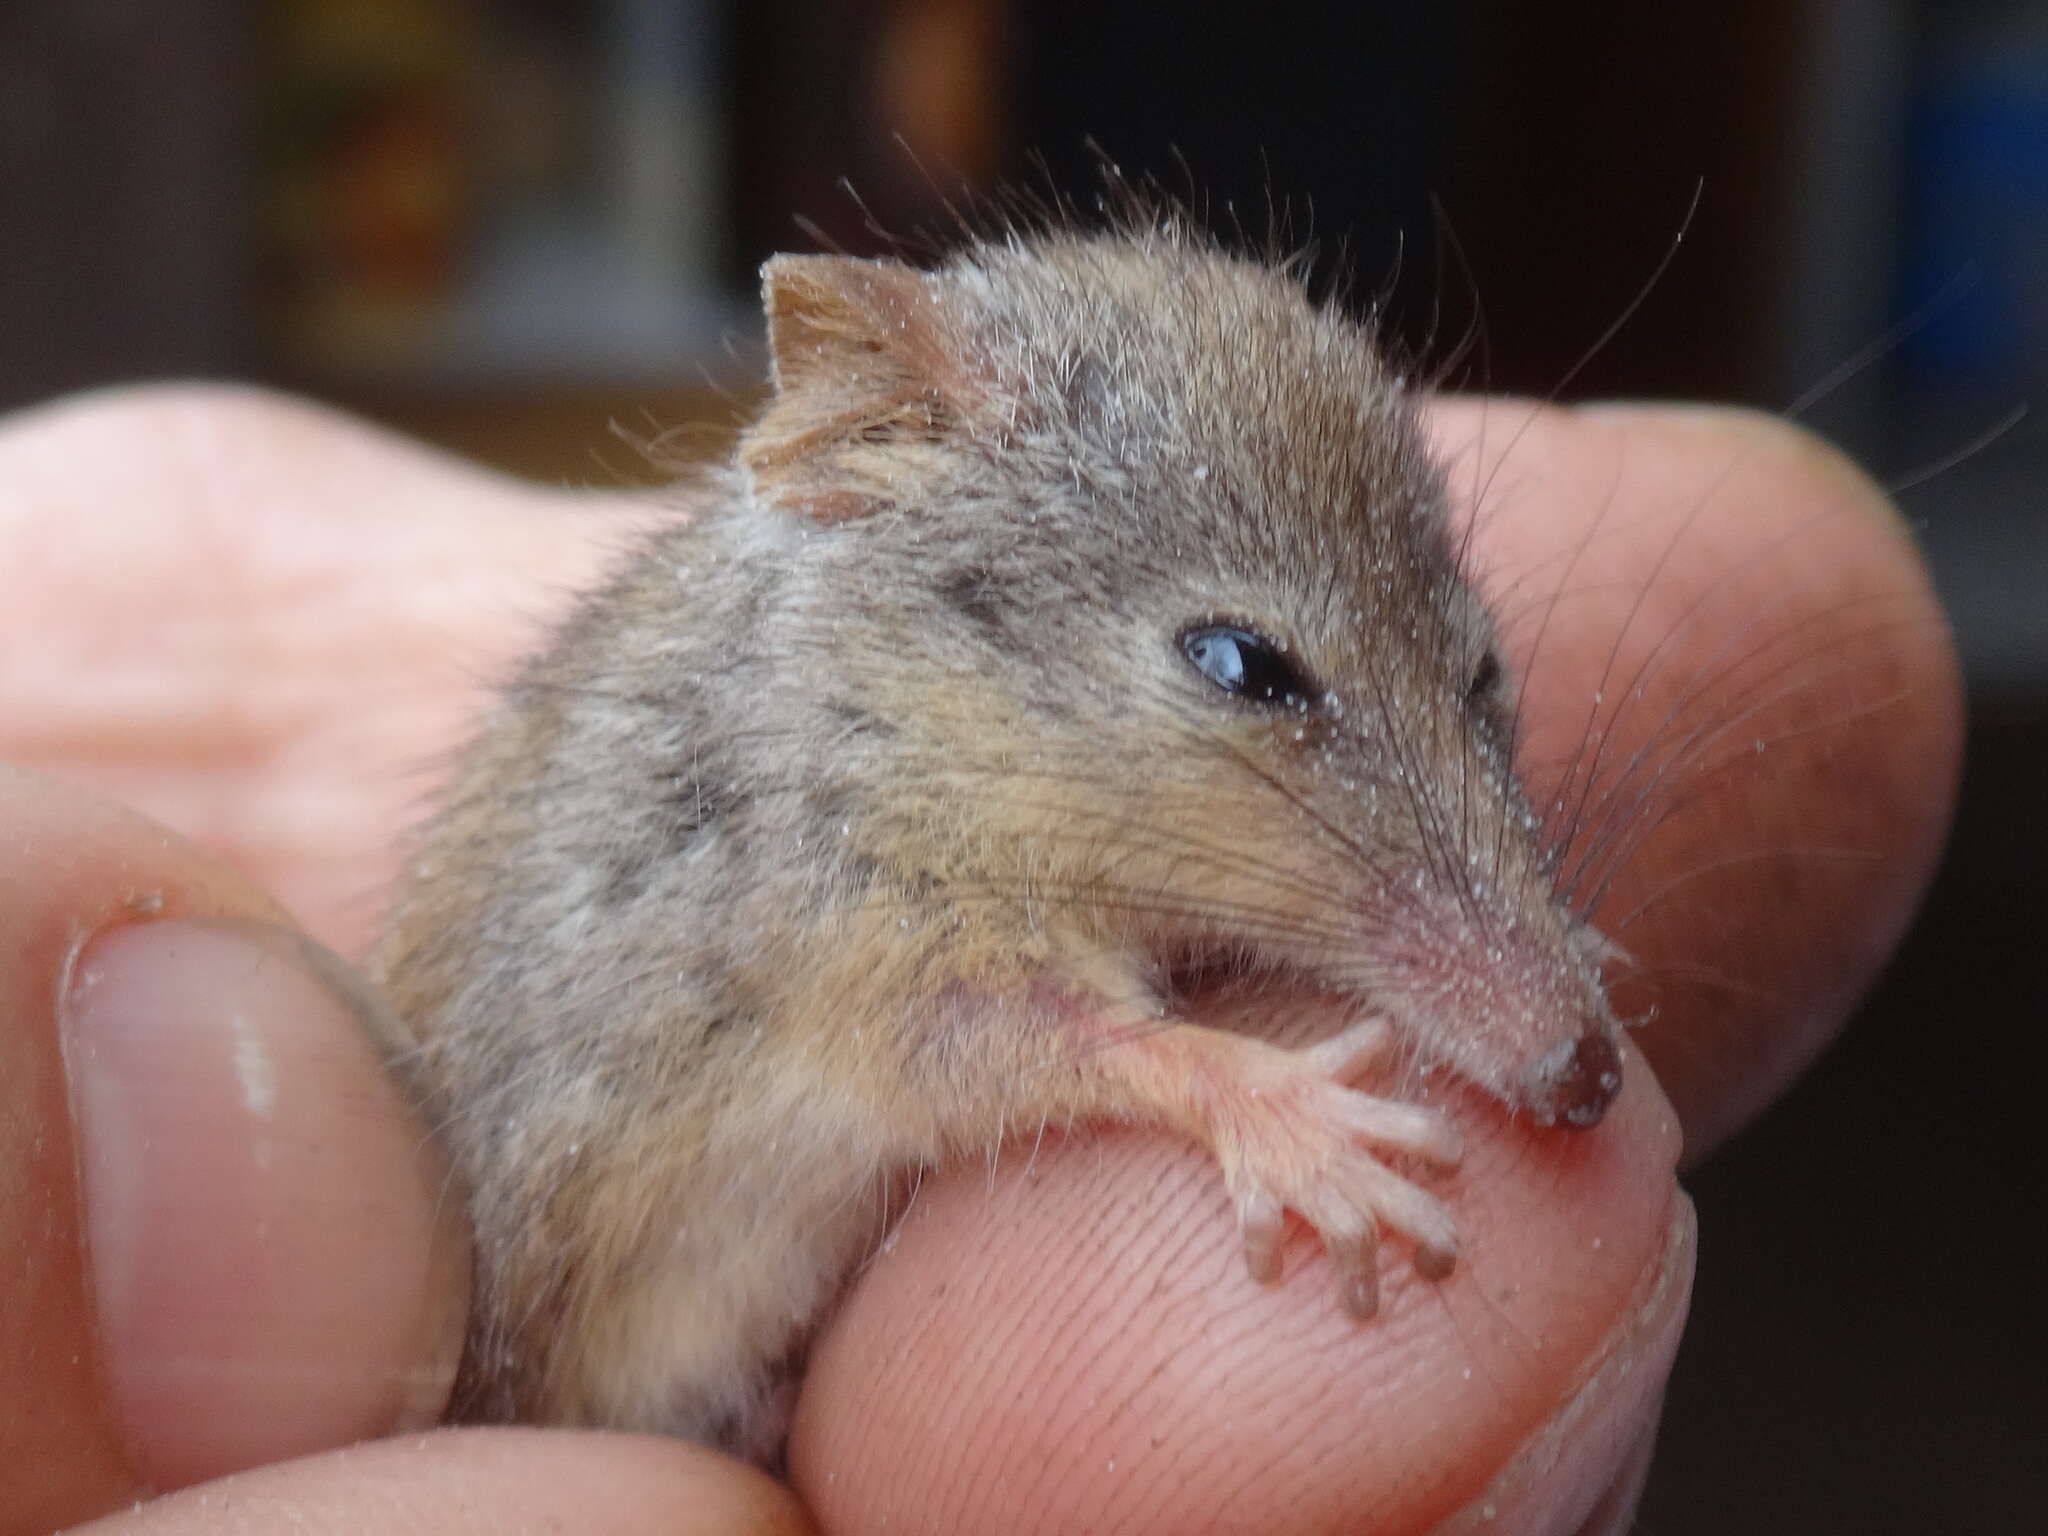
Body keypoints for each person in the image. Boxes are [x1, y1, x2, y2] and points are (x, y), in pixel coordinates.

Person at [0, 384, 1961, 1534]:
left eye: (1461, 680)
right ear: (866, 449)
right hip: (589, 1348)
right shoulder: (826, 762)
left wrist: (1467, 900)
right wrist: (1215, 1083)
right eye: (1244, 674)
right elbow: (898, 1020)